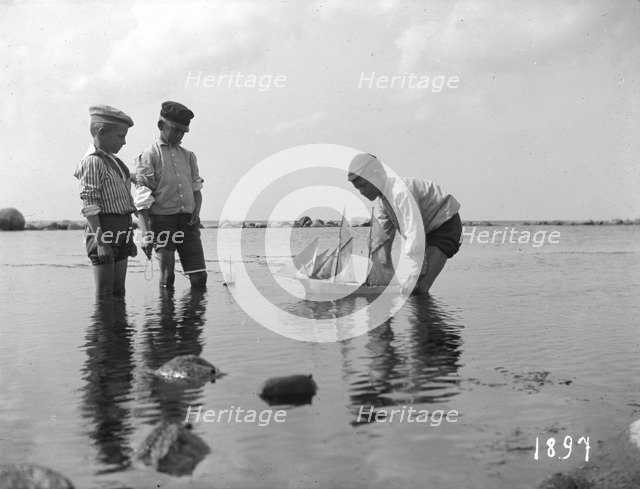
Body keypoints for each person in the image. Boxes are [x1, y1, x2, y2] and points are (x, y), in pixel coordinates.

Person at [347, 153, 461, 295]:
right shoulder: (383, 202)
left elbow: (414, 233)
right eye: (357, 188)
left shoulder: (400, 192)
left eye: (363, 185)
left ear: (377, 175)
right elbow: (379, 239)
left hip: (445, 225)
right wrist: (376, 276)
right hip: (426, 231)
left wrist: (413, 275)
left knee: (418, 288)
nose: (362, 192)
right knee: (380, 250)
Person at [134, 101, 207, 288]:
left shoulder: (189, 156)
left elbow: (196, 191)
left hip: (189, 222)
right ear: (161, 126)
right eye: (175, 130)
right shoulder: (149, 155)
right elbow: (142, 201)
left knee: (199, 277)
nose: (180, 135)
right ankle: (165, 317)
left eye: (183, 132)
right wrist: (145, 235)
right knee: (168, 277)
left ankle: (194, 317)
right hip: (162, 221)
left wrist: (196, 214)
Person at [74, 105, 137, 299]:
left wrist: (129, 238)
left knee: (119, 291)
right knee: (105, 293)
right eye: (120, 136)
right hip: (103, 229)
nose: (124, 142)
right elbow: (90, 203)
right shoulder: (93, 161)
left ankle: (119, 330)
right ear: (102, 133)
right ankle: (103, 329)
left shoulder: (114, 161)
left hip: (122, 228)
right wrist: (101, 242)